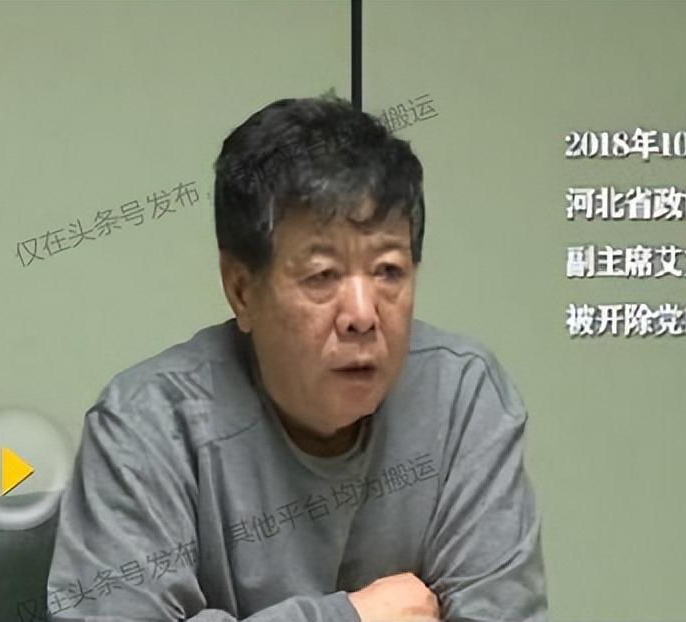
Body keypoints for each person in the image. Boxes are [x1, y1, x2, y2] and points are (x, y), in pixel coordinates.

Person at [46, 96, 548, 621]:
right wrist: (351, 617)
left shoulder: (461, 397)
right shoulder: (147, 425)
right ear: (242, 290)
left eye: (388, 272)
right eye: (322, 276)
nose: (362, 314)